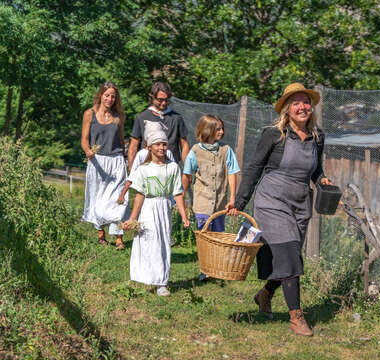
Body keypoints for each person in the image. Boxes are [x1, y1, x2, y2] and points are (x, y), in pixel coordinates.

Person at [228, 83, 332, 336]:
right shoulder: (273, 134)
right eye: (295, 102)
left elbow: (315, 168)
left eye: (305, 102)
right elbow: (254, 168)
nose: (302, 106)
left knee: (290, 257)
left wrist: (322, 180)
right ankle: (296, 317)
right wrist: (239, 202)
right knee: (289, 258)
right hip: (272, 202)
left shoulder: (318, 137)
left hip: (300, 203)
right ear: (287, 108)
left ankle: (265, 294)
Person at [123, 126, 190, 296]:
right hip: (148, 208)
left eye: (164, 144)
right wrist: (132, 217)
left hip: (164, 207)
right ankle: (147, 277)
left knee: (162, 242)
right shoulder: (143, 169)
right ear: (149, 147)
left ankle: (161, 282)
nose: (161, 148)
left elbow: (178, 193)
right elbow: (139, 195)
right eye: (158, 144)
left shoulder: (173, 167)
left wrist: (183, 216)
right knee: (148, 241)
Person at [181, 115, 240, 282]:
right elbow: (187, 175)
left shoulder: (226, 150)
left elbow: (233, 173)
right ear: (207, 130)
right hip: (202, 202)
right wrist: (181, 195)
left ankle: (218, 267)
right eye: (218, 129)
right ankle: (205, 269)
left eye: (222, 128)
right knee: (205, 235)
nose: (221, 132)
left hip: (220, 203)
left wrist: (232, 198)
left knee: (219, 235)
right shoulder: (195, 151)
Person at [81, 81, 129, 250]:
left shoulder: (119, 117)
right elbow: (84, 140)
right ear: (100, 95)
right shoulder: (89, 114)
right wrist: (88, 151)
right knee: (98, 198)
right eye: (107, 95)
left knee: (119, 199)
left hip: (116, 160)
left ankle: (118, 237)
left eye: (113, 96)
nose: (109, 99)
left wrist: (125, 157)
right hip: (97, 161)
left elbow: (121, 139)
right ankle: (101, 233)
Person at [128, 82, 189, 171]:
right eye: (160, 100)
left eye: (166, 100)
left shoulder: (176, 118)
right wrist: (132, 171)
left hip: (170, 169)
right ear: (152, 98)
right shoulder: (142, 117)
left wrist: (187, 170)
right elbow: (133, 146)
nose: (164, 103)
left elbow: (184, 145)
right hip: (147, 169)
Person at [117, 121, 176, 206]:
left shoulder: (167, 153)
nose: (161, 147)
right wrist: (122, 195)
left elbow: (174, 175)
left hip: (165, 198)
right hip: (146, 199)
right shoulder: (142, 154)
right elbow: (132, 176)